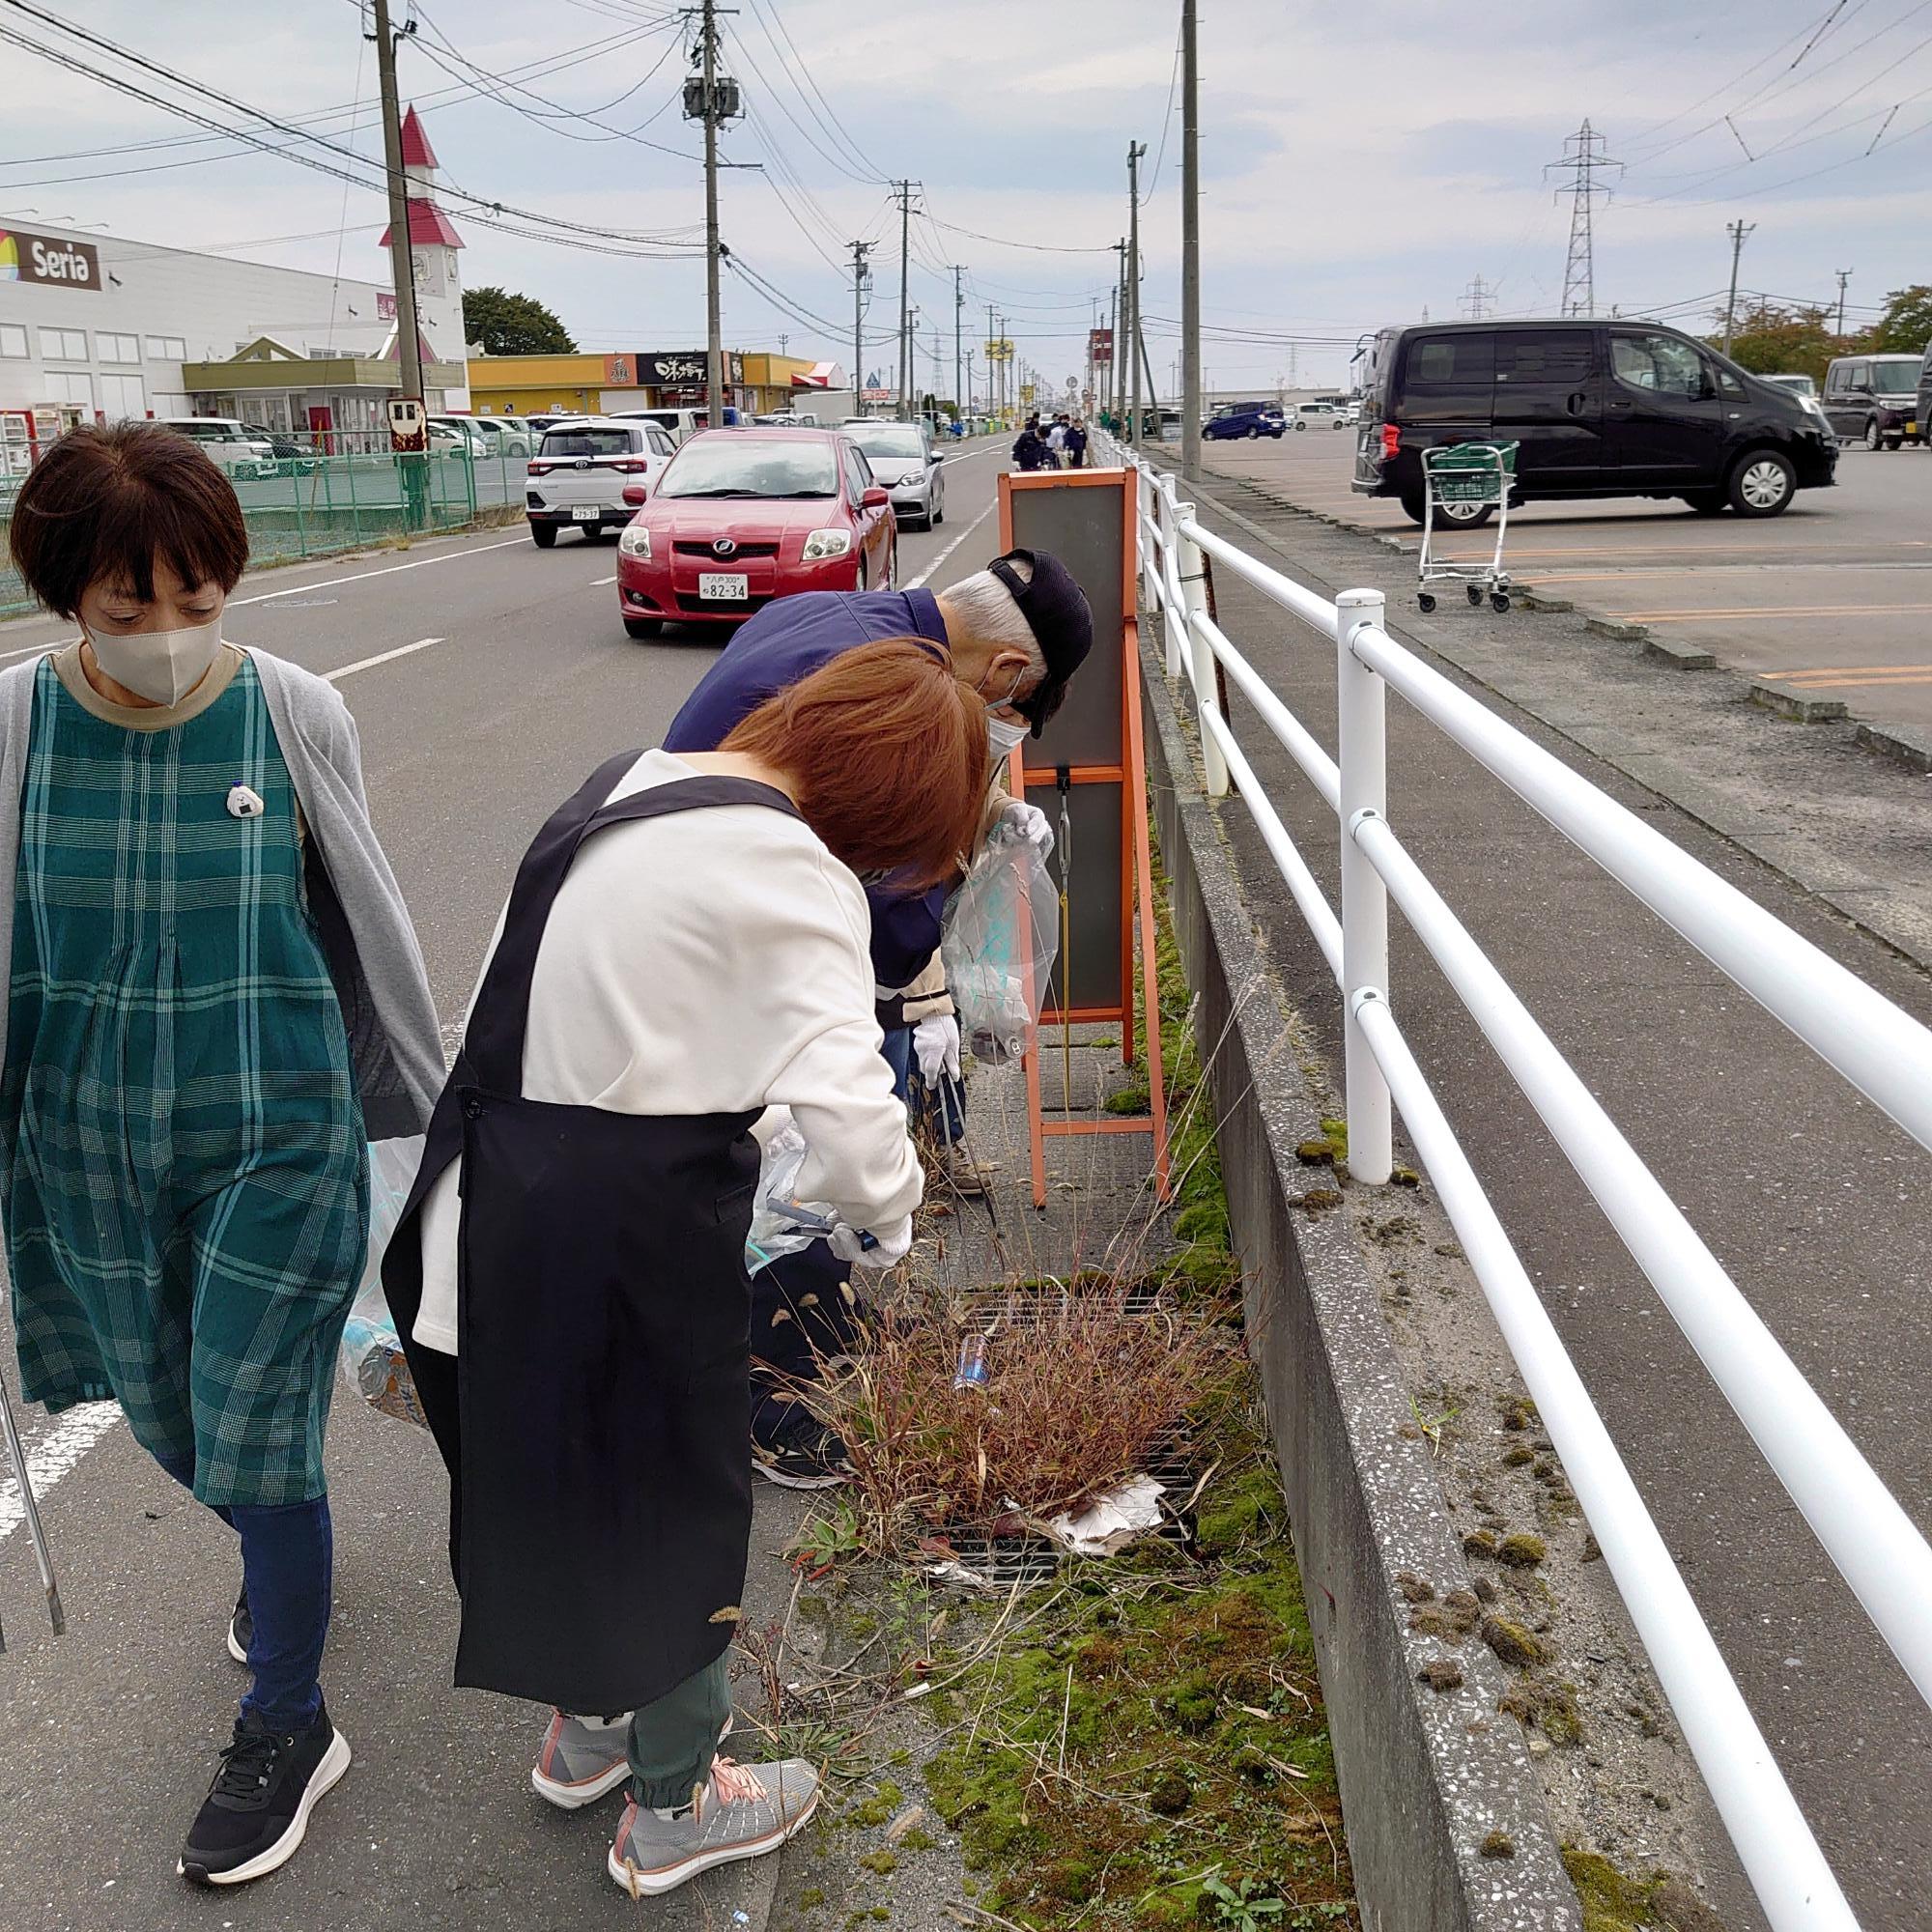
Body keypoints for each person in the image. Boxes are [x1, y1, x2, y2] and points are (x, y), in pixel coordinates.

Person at [383, 641, 988, 1897]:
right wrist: (881, 1230)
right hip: (623, 1244)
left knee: (552, 1491)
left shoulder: (616, 787)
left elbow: (598, 1017)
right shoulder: (793, 871)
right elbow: (863, 1136)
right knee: (673, 1521)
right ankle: (675, 1804)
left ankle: (587, 1732)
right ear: (877, 809)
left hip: (483, 1212)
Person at [0, 423, 442, 1887]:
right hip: (88, 1145)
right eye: (131, 613)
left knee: (257, 1426)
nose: (171, 640)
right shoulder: (12, 726)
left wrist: (434, 1128)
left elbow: (366, 921)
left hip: (278, 1125)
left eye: (200, 601)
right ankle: (278, 1556)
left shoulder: (296, 708)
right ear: (68, 596)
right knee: (169, 1416)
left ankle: (289, 1720)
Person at [662, 550, 1093, 1483]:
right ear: (1008, 674)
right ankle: (780, 1399)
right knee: (794, 1163)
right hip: (742, 949)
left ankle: (811, 1329)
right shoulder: (904, 697)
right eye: (1011, 716)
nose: (998, 734)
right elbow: (890, 909)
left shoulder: (827, 615)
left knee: (779, 1161)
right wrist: (955, 886)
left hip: (689, 903)